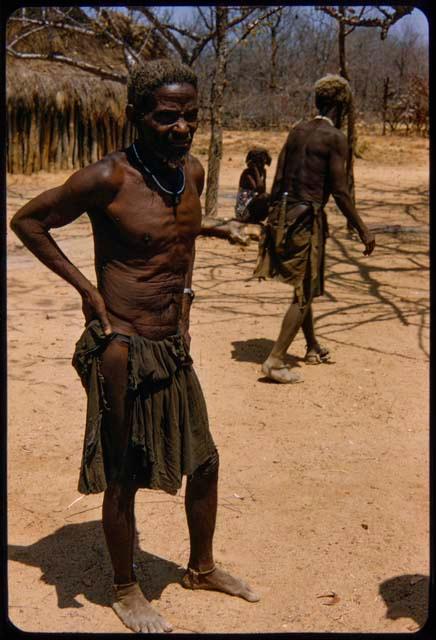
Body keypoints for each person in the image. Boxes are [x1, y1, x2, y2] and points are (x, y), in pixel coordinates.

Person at [10, 58, 259, 633]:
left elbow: (178, 241)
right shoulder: (108, 178)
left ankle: (201, 568)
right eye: (168, 117)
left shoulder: (190, 172)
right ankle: (125, 589)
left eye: (191, 117)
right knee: (122, 471)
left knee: (206, 460)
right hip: (121, 344)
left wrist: (189, 305)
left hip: (172, 342)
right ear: (136, 116)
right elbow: (28, 222)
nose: (182, 129)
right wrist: (86, 290)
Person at [254, 74, 375, 384]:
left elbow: (279, 179)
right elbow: (340, 190)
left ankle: (311, 346)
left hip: (282, 215)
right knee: (305, 289)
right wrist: (362, 228)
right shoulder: (334, 138)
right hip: (307, 218)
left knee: (302, 285)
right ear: (340, 106)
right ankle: (276, 359)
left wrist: (272, 222)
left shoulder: (296, 132)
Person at [235, 147, 271, 223]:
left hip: (252, 206)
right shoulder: (247, 174)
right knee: (265, 197)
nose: (262, 165)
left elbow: (263, 190)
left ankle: (257, 219)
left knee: (270, 198)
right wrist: (255, 170)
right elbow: (259, 189)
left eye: (263, 162)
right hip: (243, 211)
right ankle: (251, 220)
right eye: (259, 162)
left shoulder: (263, 172)